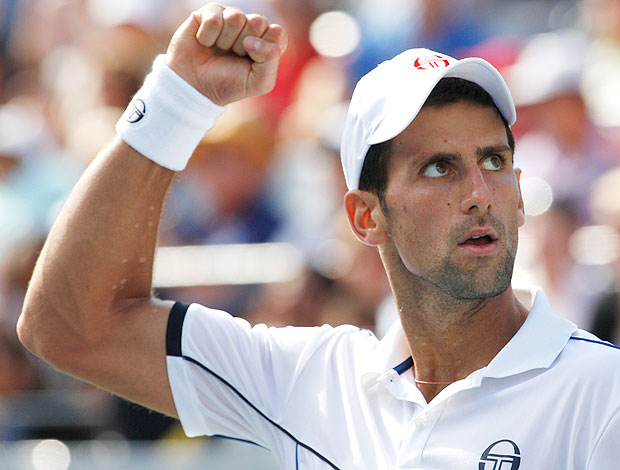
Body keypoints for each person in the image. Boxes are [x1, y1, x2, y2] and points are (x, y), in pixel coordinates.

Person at [17, 3, 620, 469]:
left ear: (519, 191)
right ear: (366, 217)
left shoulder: (605, 394)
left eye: (492, 161)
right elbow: (67, 325)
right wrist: (176, 100)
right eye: (438, 167)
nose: (479, 194)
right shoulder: (312, 377)